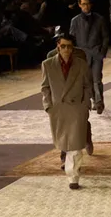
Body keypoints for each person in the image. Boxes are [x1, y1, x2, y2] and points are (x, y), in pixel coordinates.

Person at [40, 33, 94, 190]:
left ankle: (73, 176)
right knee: (65, 143)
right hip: (59, 109)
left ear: (73, 48)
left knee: (75, 145)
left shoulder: (81, 64)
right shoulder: (48, 64)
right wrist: (48, 106)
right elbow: (45, 87)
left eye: (69, 46)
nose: (66, 49)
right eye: (63, 46)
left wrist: (85, 104)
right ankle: (72, 173)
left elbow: (87, 85)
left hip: (77, 108)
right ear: (58, 46)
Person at [69, 0, 111, 113]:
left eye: (88, 4)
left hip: (96, 53)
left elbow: (105, 37)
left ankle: (99, 102)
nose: (86, 6)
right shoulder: (75, 21)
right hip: (82, 56)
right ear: (79, 5)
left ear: (91, 4)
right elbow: (71, 40)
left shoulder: (99, 19)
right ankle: (94, 99)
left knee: (97, 78)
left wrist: (102, 51)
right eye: (83, 4)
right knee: (87, 80)